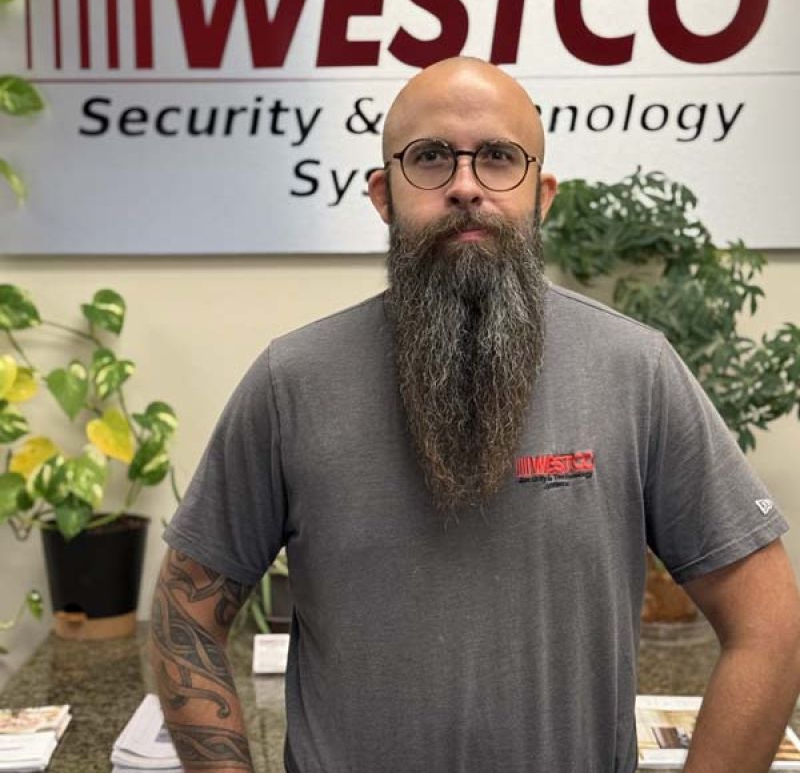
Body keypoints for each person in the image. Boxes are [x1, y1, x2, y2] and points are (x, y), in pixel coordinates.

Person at [149, 57, 800, 773]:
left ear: (541, 194)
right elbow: (186, 614)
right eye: (429, 158)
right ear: (382, 194)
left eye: (497, 158)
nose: (465, 186)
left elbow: (770, 624)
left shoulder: (635, 371)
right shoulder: (290, 382)